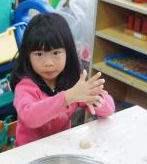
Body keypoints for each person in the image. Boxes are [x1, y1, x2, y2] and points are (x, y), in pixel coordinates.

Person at [10, 13, 115, 147]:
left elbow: (109, 109)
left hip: (61, 148)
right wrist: (67, 98)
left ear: (68, 52)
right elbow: (30, 117)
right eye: (39, 54)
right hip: (28, 153)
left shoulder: (73, 82)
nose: (48, 63)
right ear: (27, 56)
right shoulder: (25, 87)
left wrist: (95, 98)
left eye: (56, 53)